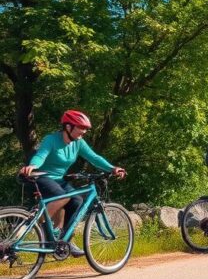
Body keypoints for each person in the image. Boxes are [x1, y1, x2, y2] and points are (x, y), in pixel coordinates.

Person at [18, 110, 127, 257]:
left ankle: (65, 241)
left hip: (59, 180)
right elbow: (40, 155)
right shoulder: (51, 140)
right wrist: (33, 166)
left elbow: (94, 157)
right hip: (42, 177)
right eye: (81, 128)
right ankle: (37, 224)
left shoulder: (78, 143)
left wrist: (112, 168)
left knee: (76, 200)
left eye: (85, 129)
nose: (84, 131)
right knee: (62, 196)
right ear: (68, 127)